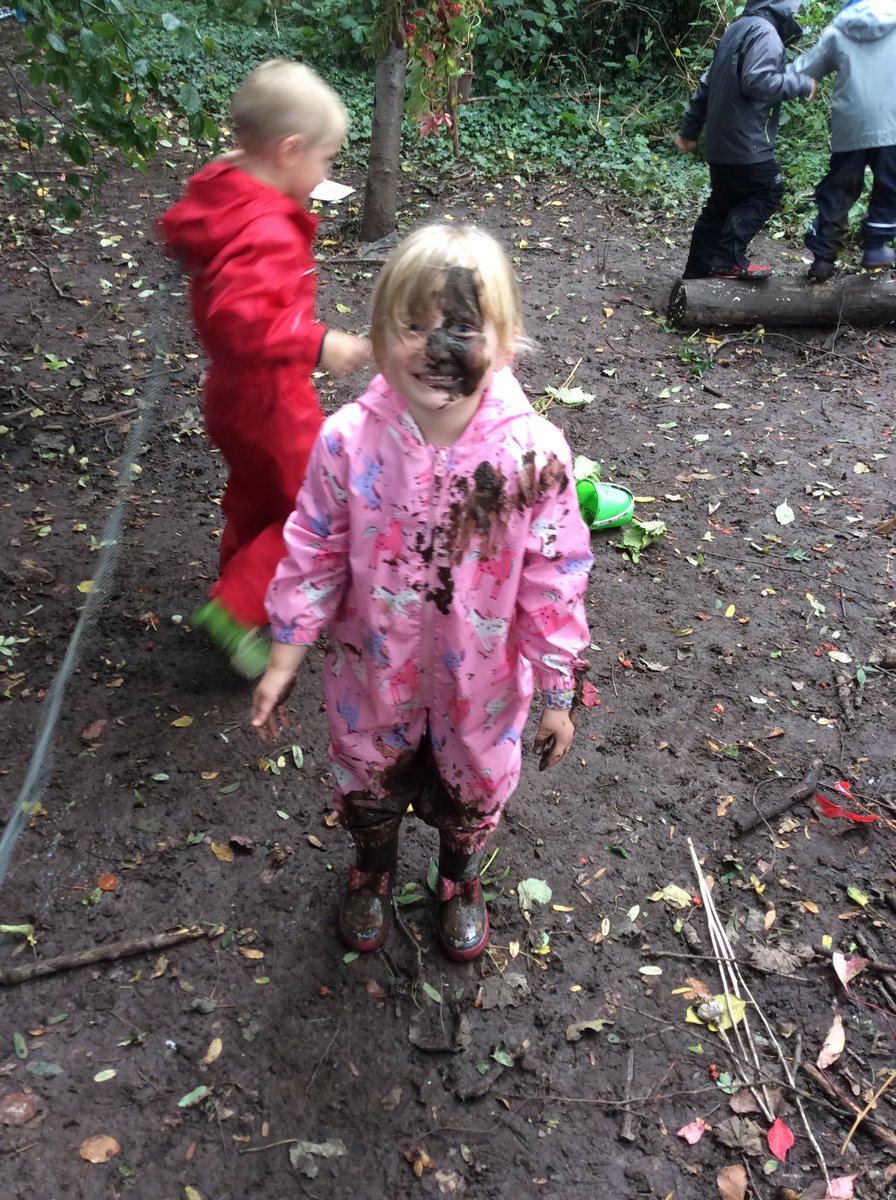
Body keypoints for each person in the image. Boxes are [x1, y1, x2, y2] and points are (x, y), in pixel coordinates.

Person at [250, 224, 593, 962]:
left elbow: (555, 576)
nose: (435, 347)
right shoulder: (347, 442)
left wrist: (560, 690)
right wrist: (284, 653)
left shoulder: (533, 455)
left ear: (505, 343)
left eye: (461, 325)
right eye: (412, 325)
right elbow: (313, 548)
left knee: (472, 788)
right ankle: (372, 868)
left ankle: (457, 878)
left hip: (486, 685)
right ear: (376, 336)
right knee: (369, 780)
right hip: (373, 673)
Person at [162, 60, 371, 678]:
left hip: (231, 395)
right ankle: (239, 606)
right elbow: (241, 317)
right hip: (271, 398)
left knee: (258, 498)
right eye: (326, 159)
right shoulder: (266, 229)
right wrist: (316, 341)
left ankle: (243, 598)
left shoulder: (223, 194)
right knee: (319, 507)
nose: (325, 173)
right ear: (288, 151)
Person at [675, 0, 817, 280]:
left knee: (721, 202)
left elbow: (706, 85)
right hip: (746, 141)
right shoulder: (766, 34)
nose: (797, 15)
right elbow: (757, 81)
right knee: (767, 192)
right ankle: (726, 259)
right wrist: (800, 83)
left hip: (721, 142)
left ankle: (697, 273)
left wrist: (689, 131)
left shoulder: (736, 29)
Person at [794, 0, 896, 282]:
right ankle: (875, 246)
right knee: (890, 184)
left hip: (850, 122)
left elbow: (805, 69)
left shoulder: (839, 29)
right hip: (892, 122)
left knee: (840, 186)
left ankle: (823, 258)